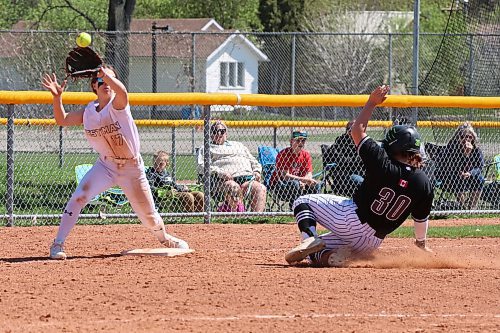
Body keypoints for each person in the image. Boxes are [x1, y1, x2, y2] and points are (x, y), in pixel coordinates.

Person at [42, 67, 189, 260]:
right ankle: (58, 244)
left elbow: (122, 92)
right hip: (106, 166)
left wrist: (106, 76)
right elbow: (61, 119)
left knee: (150, 217)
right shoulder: (89, 112)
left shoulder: (118, 104)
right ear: (94, 86)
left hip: (132, 168)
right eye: (101, 80)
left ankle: (165, 239)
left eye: (111, 79)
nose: (107, 83)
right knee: (79, 197)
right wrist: (57, 97)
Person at [284, 85, 434, 267]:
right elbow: (420, 219)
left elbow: (357, 130)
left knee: (302, 201)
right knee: (315, 253)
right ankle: (329, 257)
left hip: (351, 220)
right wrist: (421, 244)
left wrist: (371, 103)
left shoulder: (383, 161)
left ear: (393, 145)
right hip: (371, 243)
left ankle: (310, 238)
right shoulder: (424, 183)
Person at [197, 120, 266, 212]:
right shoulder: (207, 147)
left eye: (222, 131)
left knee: (260, 188)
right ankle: (237, 219)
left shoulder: (238, 145)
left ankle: (256, 219)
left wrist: (257, 171)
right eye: (214, 131)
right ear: (210, 134)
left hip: (246, 178)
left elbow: (253, 160)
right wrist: (220, 172)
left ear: (226, 133)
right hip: (222, 181)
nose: (218, 133)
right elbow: (201, 166)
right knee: (234, 187)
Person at [436, 123, 485, 209]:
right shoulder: (451, 147)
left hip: (469, 175)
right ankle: (463, 208)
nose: (467, 139)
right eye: (463, 137)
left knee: (480, 179)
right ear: (458, 137)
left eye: (470, 137)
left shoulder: (476, 148)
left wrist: (470, 173)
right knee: (457, 178)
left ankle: (472, 208)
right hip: (452, 175)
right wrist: (465, 155)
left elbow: (480, 166)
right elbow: (450, 165)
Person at [269, 130, 321, 209]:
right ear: (291, 141)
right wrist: (303, 180)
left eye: (303, 140)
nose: (301, 143)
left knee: (316, 185)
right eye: (298, 140)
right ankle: (295, 209)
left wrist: (306, 181)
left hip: (299, 183)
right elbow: (285, 176)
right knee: (295, 184)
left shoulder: (306, 155)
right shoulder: (284, 154)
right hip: (280, 186)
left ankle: (313, 209)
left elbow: (309, 173)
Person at [324, 121, 365, 197]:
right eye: (350, 130)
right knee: (362, 182)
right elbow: (341, 161)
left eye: (356, 130)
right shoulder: (339, 143)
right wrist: (358, 159)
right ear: (347, 131)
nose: (352, 132)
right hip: (344, 176)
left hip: (360, 172)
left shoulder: (361, 142)